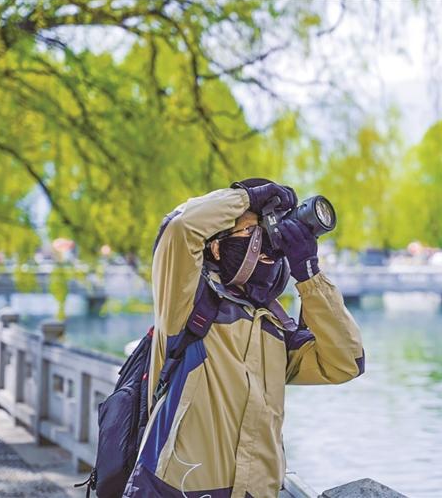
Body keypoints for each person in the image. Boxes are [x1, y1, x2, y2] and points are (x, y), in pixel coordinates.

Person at [123, 179, 365, 497]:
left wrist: (310, 277)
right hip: (177, 490)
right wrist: (246, 197)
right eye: (251, 230)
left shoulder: (273, 327)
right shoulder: (185, 302)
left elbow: (346, 362)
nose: (264, 241)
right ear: (216, 246)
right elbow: (180, 228)